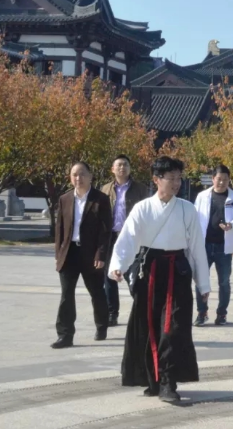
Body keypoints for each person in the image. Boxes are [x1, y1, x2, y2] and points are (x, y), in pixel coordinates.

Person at [108, 157, 211, 402]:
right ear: (157, 180)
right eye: (171, 178)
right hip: (151, 270)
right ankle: (153, 379)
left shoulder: (187, 209)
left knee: (173, 328)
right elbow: (128, 239)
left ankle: (168, 382)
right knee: (150, 327)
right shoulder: (143, 208)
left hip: (178, 270)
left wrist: (203, 283)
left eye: (179, 178)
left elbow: (197, 247)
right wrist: (118, 265)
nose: (176, 183)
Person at [52, 162, 113, 349]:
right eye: (74, 175)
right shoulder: (64, 199)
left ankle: (101, 326)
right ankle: (65, 335)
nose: (78, 178)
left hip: (91, 254)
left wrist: (101, 255)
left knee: (96, 292)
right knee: (66, 294)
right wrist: (58, 254)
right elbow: (59, 229)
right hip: (69, 253)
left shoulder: (100, 199)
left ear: (90, 176)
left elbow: (105, 231)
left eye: (82, 174)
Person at [193, 164, 233, 326]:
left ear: (229, 180)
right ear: (213, 179)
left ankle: (222, 314)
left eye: (225, 179)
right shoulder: (202, 196)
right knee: (201, 280)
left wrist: (232, 224)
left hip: (224, 247)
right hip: (204, 245)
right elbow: (194, 217)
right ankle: (202, 312)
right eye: (219, 179)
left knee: (224, 282)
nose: (222, 182)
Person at [101, 154, 149, 327]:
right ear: (113, 169)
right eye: (119, 165)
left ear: (130, 168)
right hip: (110, 237)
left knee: (132, 275)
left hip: (131, 237)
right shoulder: (105, 189)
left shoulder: (140, 189)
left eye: (125, 165)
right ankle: (112, 313)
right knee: (110, 277)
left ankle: (141, 311)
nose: (122, 168)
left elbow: (146, 214)